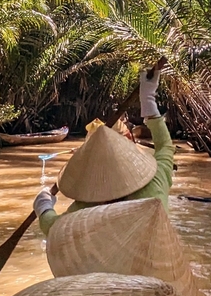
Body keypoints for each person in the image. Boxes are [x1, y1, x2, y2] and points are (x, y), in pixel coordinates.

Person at [31, 66, 173, 235]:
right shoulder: (157, 180)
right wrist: (148, 101)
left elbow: (53, 228)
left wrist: (44, 206)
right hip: (159, 260)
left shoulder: (87, 207)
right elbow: (165, 146)